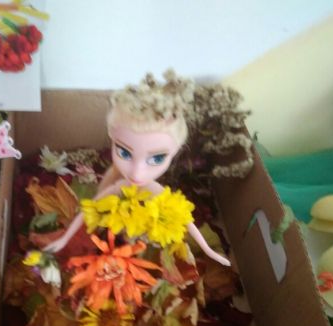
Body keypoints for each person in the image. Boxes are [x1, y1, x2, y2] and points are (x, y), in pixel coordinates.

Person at [44, 71, 230, 266]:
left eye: (157, 158)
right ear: (111, 138)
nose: (137, 172)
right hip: (113, 240)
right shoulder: (118, 187)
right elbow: (89, 210)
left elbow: (185, 220)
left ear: (176, 152)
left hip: (142, 245)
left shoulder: (156, 193)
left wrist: (209, 251)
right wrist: (64, 239)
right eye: (124, 153)